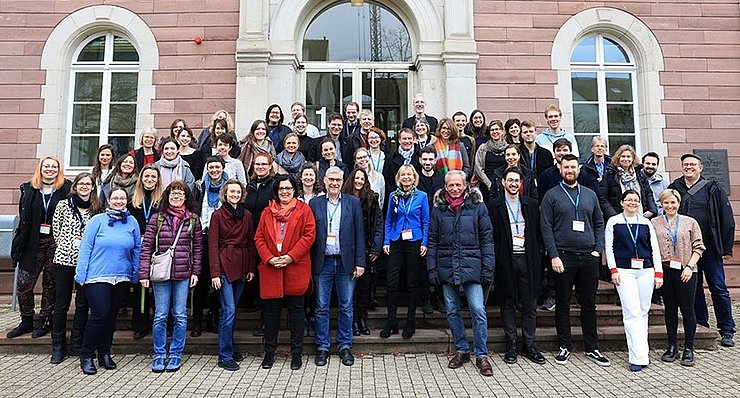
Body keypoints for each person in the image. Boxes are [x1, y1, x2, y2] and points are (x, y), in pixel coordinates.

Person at [541, 154, 609, 366]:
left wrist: (598, 250)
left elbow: (599, 223)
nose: (569, 170)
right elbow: (546, 227)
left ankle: (592, 347)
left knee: (588, 304)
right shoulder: (551, 196)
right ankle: (564, 346)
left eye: (573, 167)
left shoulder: (589, 194)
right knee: (562, 304)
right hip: (563, 257)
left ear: (578, 169)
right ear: (560, 169)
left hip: (589, 257)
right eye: (566, 167)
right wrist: (553, 255)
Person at [427, 170, 494, 377]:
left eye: (458, 185)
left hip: (472, 266)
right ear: (445, 187)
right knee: (452, 311)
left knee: (477, 309)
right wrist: (432, 268)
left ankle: (481, 354)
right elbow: (433, 240)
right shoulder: (439, 209)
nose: (454, 188)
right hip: (447, 266)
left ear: (465, 185)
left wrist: (488, 267)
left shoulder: (478, 207)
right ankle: (462, 349)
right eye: (450, 185)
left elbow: (487, 239)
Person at [668, 153, 736, 347]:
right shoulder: (675, 188)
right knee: (694, 289)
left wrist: (727, 246)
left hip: (711, 249)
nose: (689, 167)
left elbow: (726, 218)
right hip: (685, 251)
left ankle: (727, 329)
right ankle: (701, 324)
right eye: (685, 165)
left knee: (718, 288)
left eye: (692, 164)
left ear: (700, 167)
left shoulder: (713, 188)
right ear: (682, 167)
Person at [74, 188, 141, 375]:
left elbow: (137, 250)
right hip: (97, 276)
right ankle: (87, 355)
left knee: (111, 316)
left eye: (122, 198)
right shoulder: (97, 221)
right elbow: (86, 248)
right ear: (109, 200)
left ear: (126, 200)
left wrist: (135, 273)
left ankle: (105, 352)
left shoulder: (132, 222)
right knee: (100, 314)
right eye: (115, 198)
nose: (119, 201)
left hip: (122, 277)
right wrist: (81, 274)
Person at [139, 181, 202, 373]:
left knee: (181, 315)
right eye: (173, 194)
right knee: (160, 315)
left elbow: (198, 249)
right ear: (168, 196)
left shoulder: (192, 220)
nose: (176, 197)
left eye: (180, 194)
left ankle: (175, 354)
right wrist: (143, 273)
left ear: (186, 197)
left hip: (183, 273)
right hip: (160, 274)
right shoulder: (157, 218)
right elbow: (147, 246)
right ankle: (159, 354)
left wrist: (196, 272)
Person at [255, 175, 315, 370]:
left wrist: (290, 256)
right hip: (272, 268)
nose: (285, 192)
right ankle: (269, 353)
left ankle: (296, 353)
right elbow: (259, 238)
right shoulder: (266, 212)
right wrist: (269, 258)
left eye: (288, 188)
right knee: (271, 315)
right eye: (281, 189)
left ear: (294, 190)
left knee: (296, 313)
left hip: (295, 267)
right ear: (276, 191)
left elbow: (309, 235)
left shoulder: (304, 210)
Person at [9, 156, 72, 339]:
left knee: (50, 284)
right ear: (40, 168)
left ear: (58, 170)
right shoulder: (29, 189)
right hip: (32, 244)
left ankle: (44, 319)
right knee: (23, 285)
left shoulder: (66, 189)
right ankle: (26, 319)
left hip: (55, 242)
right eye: (46, 166)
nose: (50, 169)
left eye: (54, 167)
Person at [488, 167, 545, 365]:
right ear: (503, 182)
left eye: (516, 181)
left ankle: (529, 344)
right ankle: (511, 344)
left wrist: (538, 253)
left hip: (528, 259)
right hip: (506, 259)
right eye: (509, 180)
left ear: (521, 184)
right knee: (507, 302)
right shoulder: (493, 206)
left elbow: (539, 233)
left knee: (530, 304)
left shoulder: (531, 204)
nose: (513, 184)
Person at [309, 166, 366, 367]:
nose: (334, 183)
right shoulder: (314, 203)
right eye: (331, 179)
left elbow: (360, 234)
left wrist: (360, 262)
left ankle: (345, 346)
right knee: (321, 307)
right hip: (322, 262)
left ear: (343, 182)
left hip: (346, 263)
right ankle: (322, 347)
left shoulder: (353, 202)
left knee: (346, 307)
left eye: (338, 180)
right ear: (324, 181)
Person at [605, 190, 663, 372]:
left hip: (646, 270)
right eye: (628, 200)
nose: (632, 203)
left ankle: (642, 351)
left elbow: (654, 248)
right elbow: (609, 247)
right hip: (624, 271)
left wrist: (658, 272)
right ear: (621, 202)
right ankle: (637, 357)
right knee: (632, 312)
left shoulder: (645, 223)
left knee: (643, 311)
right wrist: (613, 270)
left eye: (636, 200)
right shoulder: (614, 222)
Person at [49, 173, 100, 363]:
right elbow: (56, 230)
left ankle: (77, 344)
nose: (85, 186)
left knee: (82, 304)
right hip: (63, 260)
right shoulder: (64, 205)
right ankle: (58, 346)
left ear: (93, 187)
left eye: (88, 184)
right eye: (81, 184)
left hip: (86, 263)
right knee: (61, 303)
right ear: (75, 186)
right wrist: (68, 244)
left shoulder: (97, 209)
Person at [651, 189, 705, 366]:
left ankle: (689, 348)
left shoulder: (690, 222)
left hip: (686, 270)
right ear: (662, 204)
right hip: (665, 271)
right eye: (666, 202)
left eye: (673, 202)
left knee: (688, 309)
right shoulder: (654, 222)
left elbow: (698, 247)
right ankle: (672, 345)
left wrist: (689, 266)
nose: (670, 206)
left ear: (678, 203)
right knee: (670, 309)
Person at [210, 179, 257, 371]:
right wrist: (214, 273)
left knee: (232, 310)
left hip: (242, 265)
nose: (235, 195)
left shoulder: (247, 215)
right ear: (225, 194)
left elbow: (251, 243)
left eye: (238, 192)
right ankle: (225, 355)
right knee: (228, 311)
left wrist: (251, 268)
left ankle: (228, 346)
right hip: (223, 266)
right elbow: (212, 246)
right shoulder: (217, 215)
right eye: (232, 192)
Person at [381, 164, 429, 339]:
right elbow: (388, 220)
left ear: (414, 177)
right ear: (399, 178)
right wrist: (386, 241)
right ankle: (391, 321)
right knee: (391, 281)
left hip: (415, 241)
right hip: (396, 240)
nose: (406, 178)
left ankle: (410, 322)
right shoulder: (393, 196)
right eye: (403, 175)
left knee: (412, 282)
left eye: (409, 175)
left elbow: (426, 221)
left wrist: (425, 242)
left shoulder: (422, 196)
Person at [343, 168, 383, 336]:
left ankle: (362, 319)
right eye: (356, 178)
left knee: (364, 288)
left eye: (362, 178)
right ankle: (352, 320)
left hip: (366, 249)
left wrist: (376, 247)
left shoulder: (372, 198)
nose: (359, 181)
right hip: (348, 249)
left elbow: (379, 224)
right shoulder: (343, 198)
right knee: (350, 288)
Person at [193, 156, 228, 337]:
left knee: (218, 281)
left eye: (217, 167)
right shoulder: (200, 187)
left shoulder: (229, 187)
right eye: (211, 167)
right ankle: (197, 321)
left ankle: (213, 319)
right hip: (202, 236)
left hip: (222, 239)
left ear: (223, 168)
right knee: (201, 281)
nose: (214, 170)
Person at [128, 165, 163, 339]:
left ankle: (159, 322)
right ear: (141, 178)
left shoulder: (162, 200)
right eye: (146, 176)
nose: (149, 180)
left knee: (158, 284)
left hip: (158, 247)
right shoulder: (132, 200)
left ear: (158, 180)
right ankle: (140, 324)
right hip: (137, 246)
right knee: (140, 284)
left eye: (153, 177)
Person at [599, 144, 657, 220]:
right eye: (623, 156)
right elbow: (603, 198)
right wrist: (613, 216)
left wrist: (652, 210)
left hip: (640, 216)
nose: (626, 159)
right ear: (618, 158)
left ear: (633, 158)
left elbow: (648, 194)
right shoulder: (610, 175)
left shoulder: (640, 175)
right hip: (618, 218)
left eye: (628, 156)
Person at [383, 128, 421, 204]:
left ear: (414, 140)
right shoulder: (391, 158)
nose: (407, 141)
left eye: (409, 138)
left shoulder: (420, 157)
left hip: (416, 199)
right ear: (399, 140)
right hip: (397, 199)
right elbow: (387, 180)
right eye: (404, 139)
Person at [475, 120, 507, 197]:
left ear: (502, 131)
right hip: (486, 185)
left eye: (497, 129)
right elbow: (478, 167)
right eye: (492, 130)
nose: (494, 132)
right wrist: (489, 184)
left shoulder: (508, 148)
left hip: (504, 185)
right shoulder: (483, 148)